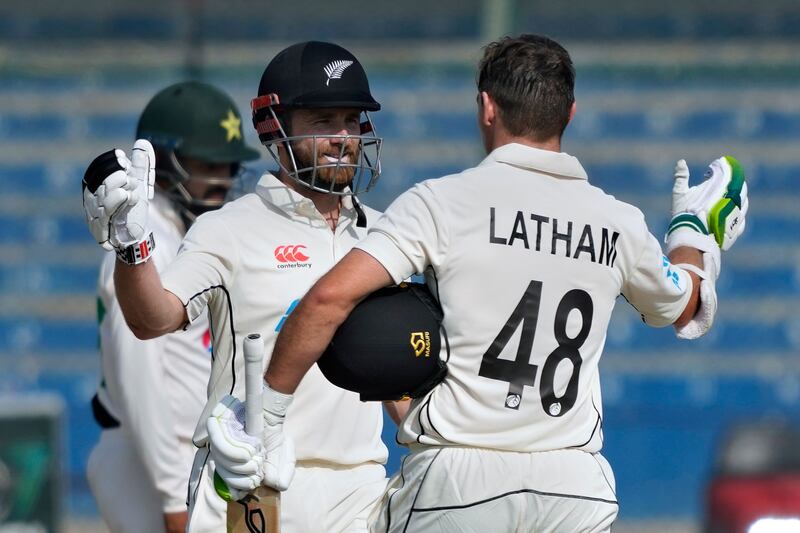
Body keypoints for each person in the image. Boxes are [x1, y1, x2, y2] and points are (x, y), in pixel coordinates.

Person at [211, 34, 749, 532]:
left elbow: (329, 297)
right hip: (575, 485)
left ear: (487, 107)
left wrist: (269, 417)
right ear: (570, 113)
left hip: (461, 480)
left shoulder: (442, 202)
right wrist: (694, 230)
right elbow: (685, 303)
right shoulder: (619, 221)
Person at [82, 41, 408, 533]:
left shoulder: (385, 234)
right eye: (322, 121)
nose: (343, 136)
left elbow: (398, 380)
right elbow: (152, 319)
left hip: (359, 489)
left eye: (351, 119)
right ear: (274, 129)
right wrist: (132, 246)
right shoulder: (228, 229)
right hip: (249, 486)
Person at [84, 81, 260, 533]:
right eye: (207, 163)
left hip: (183, 455)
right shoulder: (145, 245)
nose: (222, 178)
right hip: (147, 458)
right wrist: (171, 495)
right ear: (160, 165)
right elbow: (139, 380)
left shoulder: (184, 235)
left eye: (228, 165)